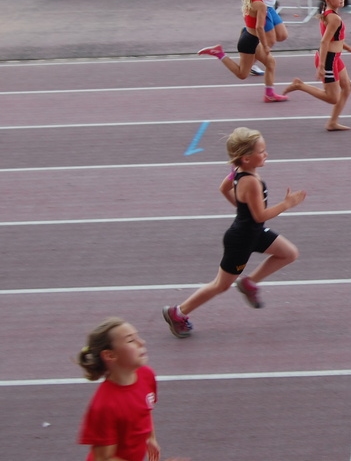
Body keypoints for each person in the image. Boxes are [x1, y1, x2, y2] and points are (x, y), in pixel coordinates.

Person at [162, 127, 306, 337]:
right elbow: (260, 216)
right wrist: (287, 204)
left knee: (289, 253)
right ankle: (177, 312)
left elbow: (224, 188)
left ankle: (249, 282)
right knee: (220, 285)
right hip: (241, 240)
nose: (266, 154)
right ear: (246, 158)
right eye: (261, 151)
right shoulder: (251, 182)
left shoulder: (238, 170)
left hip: (254, 232)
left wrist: (242, 210)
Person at [77, 318, 187, 461]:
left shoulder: (146, 375)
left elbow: (145, 410)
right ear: (110, 355)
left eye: (138, 337)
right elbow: (104, 458)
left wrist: (150, 437)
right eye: (130, 340)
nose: (142, 342)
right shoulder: (104, 406)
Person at [196, 0, 288, 101]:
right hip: (249, 42)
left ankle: (269, 94)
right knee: (242, 74)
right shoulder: (260, 5)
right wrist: (266, 46)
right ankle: (219, 53)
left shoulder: (252, 1)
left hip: (249, 37)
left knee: (270, 63)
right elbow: (259, 28)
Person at [282, 0, 351, 131]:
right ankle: (300, 85)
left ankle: (332, 122)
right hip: (328, 59)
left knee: (347, 87)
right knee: (332, 98)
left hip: (335, 58)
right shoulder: (334, 18)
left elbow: (335, 39)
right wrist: (322, 66)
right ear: (328, 0)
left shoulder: (328, 13)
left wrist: (349, 48)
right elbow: (324, 42)